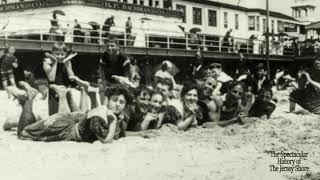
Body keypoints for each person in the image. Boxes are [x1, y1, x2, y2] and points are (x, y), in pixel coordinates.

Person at [18, 78, 132, 144]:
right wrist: (113, 123)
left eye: (122, 102)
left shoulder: (121, 116)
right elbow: (106, 141)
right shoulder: (99, 114)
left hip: (73, 122)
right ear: (108, 100)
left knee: (33, 125)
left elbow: (122, 134)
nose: (117, 105)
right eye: (115, 100)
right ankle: (29, 98)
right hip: (64, 128)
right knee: (23, 133)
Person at [43, 42, 77, 115]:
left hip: (65, 90)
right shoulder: (47, 62)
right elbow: (51, 79)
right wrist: (55, 63)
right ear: (52, 53)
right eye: (57, 54)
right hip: (54, 91)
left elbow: (72, 79)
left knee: (69, 116)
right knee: (55, 116)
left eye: (62, 54)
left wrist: (67, 64)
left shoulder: (67, 61)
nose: (60, 57)